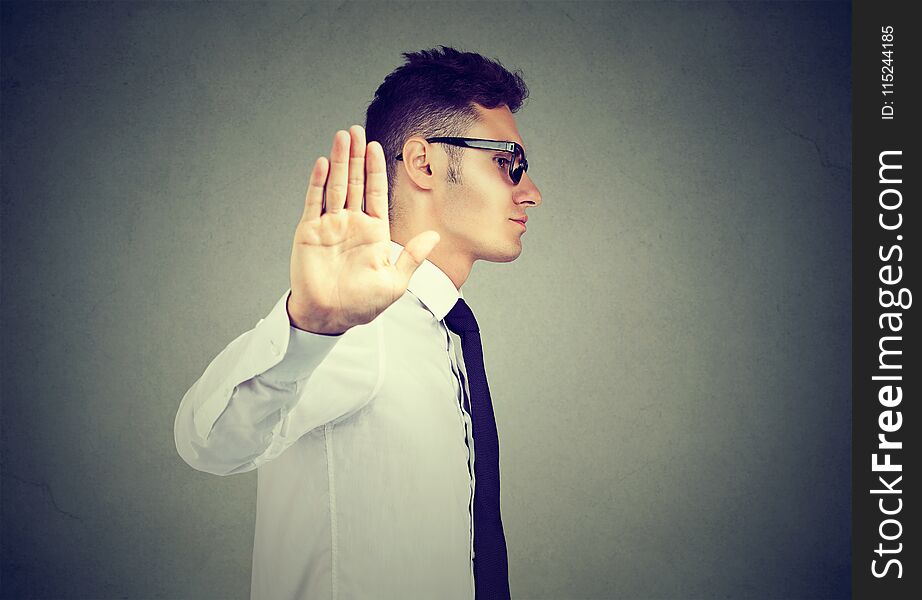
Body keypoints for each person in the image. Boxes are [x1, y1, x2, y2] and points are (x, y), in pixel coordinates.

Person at [174, 46, 542, 599]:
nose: (531, 192)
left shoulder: (442, 335)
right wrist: (310, 328)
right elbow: (210, 442)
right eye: (507, 162)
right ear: (424, 164)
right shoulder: (360, 329)